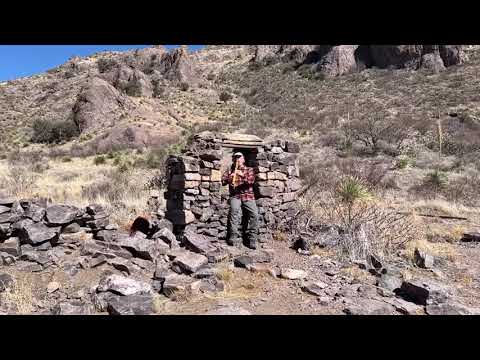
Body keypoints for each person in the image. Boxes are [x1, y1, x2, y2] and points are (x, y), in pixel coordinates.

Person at [221, 151, 259, 249]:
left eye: (239, 157)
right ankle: (233, 237)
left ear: (243, 159)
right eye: (235, 157)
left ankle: (252, 239)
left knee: (254, 214)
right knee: (234, 212)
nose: (237, 159)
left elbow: (251, 181)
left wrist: (241, 174)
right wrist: (230, 178)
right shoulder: (230, 170)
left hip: (248, 196)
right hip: (235, 195)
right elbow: (223, 181)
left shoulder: (249, 169)